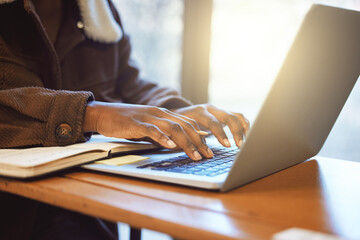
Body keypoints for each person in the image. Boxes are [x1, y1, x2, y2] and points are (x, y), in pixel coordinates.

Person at [0, 0, 249, 239]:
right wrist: (93, 114)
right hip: (17, 212)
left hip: (92, 203)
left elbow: (129, 83)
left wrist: (173, 112)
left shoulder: (97, 9)